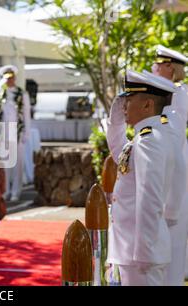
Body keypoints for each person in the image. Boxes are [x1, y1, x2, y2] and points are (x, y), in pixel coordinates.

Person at [107, 70, 176, 286]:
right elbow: (121, 156)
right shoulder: (146, 136)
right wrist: (115, 120)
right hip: (135, 251)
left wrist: (144, 251)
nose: (124, 106)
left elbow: (150, 198)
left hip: (140, 254)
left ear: (147, 105)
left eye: (129, 100)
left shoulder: (149, 141)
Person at [150, 46, 188, 285]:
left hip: (177, 160)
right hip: (162, 160)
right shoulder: (160, 92)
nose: (154, 67)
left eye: (159, 64)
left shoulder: (179, 92)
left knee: (175, 222)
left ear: (169, 68)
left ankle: (174, 277)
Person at [0, 65, 31, 201]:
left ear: (15, 77)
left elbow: (26, 114)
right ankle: (5, 190)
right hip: (3, 133)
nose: (9, 80)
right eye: (6, 78)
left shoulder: (22, 93)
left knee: (17, 164)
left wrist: (26, 133)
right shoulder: (0, 94)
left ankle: (15, 192)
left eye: (11, 78)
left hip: (17, 132)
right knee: (5, 164)